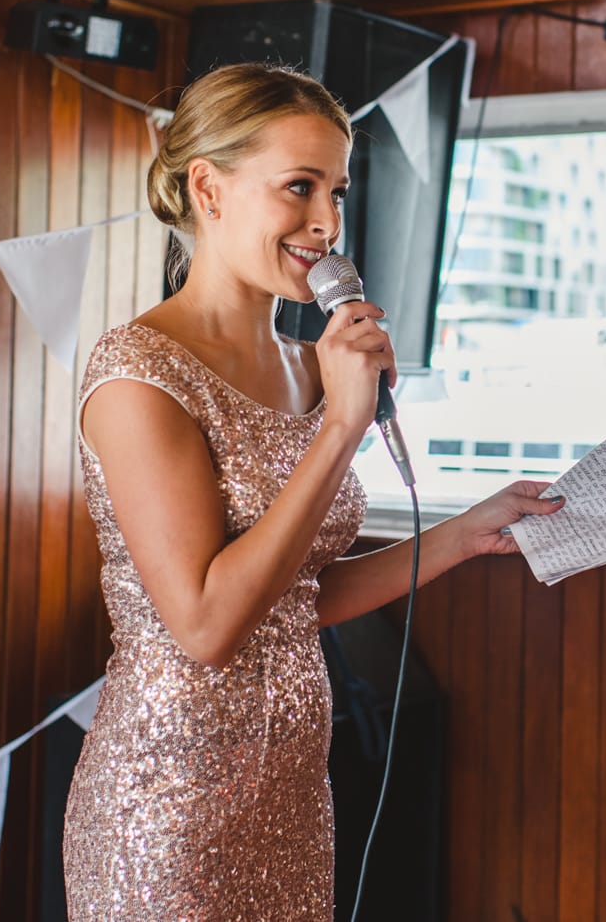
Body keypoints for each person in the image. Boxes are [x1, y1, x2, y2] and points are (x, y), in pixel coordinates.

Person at [59, 63, 562, 920]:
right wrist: (340, 429)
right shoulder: (138, 374)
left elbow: (291, 598)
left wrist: (469, 532)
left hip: (291, 795)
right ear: (209, 189)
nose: (327, 223)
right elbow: (210, 624)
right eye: (299, 187)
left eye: (337, 190)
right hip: (170, 806)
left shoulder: (306, 365)